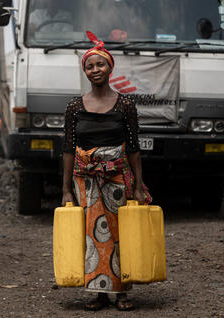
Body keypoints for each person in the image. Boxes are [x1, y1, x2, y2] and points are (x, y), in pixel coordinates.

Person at [61, 31, 151, 311]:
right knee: (91, 235)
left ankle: (122, 291)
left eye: (100, 65)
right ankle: (99, 292)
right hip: (85, 181)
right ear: (84, 71)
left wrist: (138, 184)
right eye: (89, 66)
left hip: (116, 178)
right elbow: (67, 148)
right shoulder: (74, 107)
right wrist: (65, 189)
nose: (95, 70)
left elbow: (134, 148)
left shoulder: (125, 105)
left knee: (119, 233)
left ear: (110, 68)